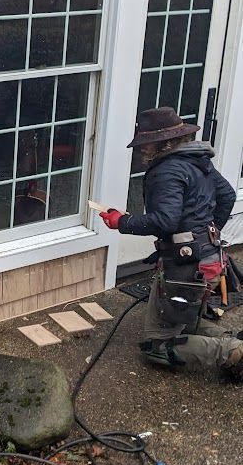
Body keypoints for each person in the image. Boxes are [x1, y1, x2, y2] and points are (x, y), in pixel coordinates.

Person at [100, 106, 242, 378]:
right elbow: (227, 196)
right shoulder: (198, 161)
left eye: (146, 143)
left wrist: (122, 222)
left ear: (163, 142)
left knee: (157, 346)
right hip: (209, 260)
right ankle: (228, 340)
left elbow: (164, 220)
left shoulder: (166, 171)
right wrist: (208, 234)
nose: (143, 150)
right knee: (182, 318)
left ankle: (232, 351)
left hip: (186, 268)